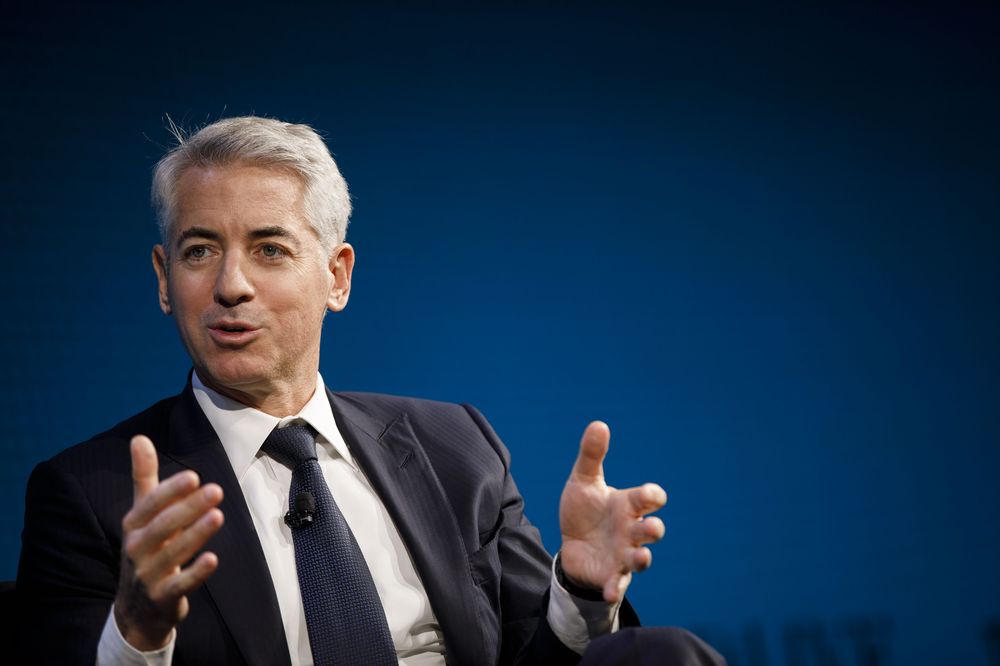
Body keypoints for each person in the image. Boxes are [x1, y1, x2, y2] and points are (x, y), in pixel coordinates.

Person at [16, 116, 724, 665]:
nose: (231, 285)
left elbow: (538, 657)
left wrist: (580, 589)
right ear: (164, 279)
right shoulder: (92, 496)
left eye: (269, 249)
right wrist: (137, 630)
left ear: (337, 276)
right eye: (200, 251)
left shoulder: (455, 449)